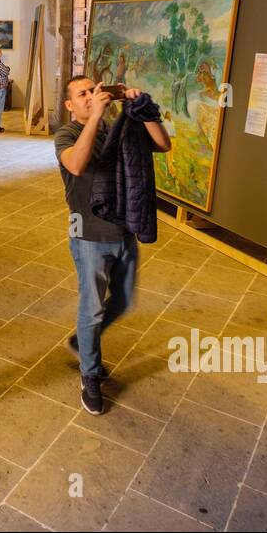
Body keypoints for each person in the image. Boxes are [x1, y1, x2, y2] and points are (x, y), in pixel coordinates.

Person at [56, 77, 170, 415]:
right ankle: (90, 375)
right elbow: (76, 164)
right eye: (82, 94)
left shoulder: (119, 129)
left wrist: (144, 109)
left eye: (94, 90)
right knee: (91, 309)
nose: (90, 96)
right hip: (88, 236)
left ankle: (82, 339)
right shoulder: (67, 134)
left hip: (125, 230)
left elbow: (163, 145)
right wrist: (95, 117)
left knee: (121, 302)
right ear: (69, 105)